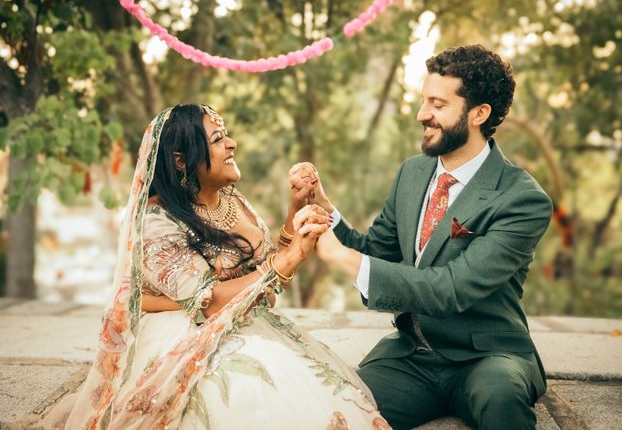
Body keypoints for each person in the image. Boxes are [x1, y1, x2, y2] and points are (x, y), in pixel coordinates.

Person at [45, 104, 390, 429]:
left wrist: (296, 208)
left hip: (246, 321)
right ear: (181, 161)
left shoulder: (229, 198)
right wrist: (288, 258)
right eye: (218, 139)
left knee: (320, 385)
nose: (232, 143)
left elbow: (264, 272)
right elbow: (211, 301)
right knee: (255, 385)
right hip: (187, 331)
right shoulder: (156, 221)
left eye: (226, 134)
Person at [289, 45, 553, 430]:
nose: (421, 114)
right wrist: (325, 211)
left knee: (502, 400)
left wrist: (339, 257)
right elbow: (378, 253)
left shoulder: (522, 199)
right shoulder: (412, 173)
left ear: (479, 113)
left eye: (437, 104)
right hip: (413, 355)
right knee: (340, 409)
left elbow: (450, 289)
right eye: (423, 100)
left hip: (489, 357)